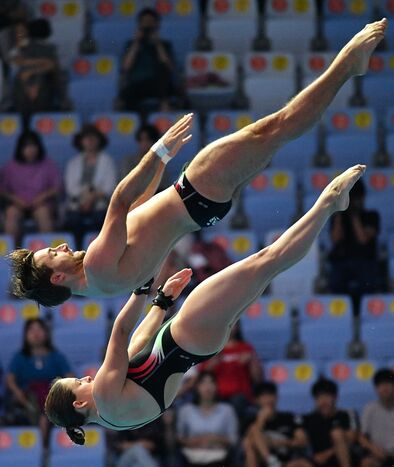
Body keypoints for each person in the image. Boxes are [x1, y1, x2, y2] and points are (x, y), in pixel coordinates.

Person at [9, 20, 387, 307]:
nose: (59, 245)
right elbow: (121, 201)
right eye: (52, 253)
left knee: (277, 133)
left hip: (202, 207)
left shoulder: (102, 284)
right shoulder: (95, 265)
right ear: (57, 277)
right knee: (278, 126)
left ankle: (346, 69)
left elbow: (140, 210)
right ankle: (348, 65)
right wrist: (158, 151)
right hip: (195, 191)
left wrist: (160, 166)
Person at [44, 164, 366, 444]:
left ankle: (328, 205)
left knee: (268, 268)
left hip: (198, 345)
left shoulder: (115, 416)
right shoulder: (103, 395)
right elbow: (121, 331)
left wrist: (161, 300)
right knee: (266, 260)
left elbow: (137, 344)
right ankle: (329, 201)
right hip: (187, 331)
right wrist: (142, 286)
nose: (86, 378)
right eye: (78, 383)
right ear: (78, 405)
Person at [5, 318, 73, 447]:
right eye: (31, 330)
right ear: (25, 335)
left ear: (46, 333)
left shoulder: (56, 356)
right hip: (27, 399)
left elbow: (69, 377)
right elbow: (10, 380)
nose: (35, 333)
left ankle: (44, 446)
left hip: (52, 397)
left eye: (39, 329)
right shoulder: (19, 357)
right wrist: (19, 394)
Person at [285, 378, 359, 467]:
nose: (323, 401)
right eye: (319, 397)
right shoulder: (307, 419)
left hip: (346, 458)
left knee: (337, 433)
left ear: (335, 397)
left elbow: (351, 439)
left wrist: (327, 454)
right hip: (319, 461)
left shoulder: (347, 414)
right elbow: (300, 440)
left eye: (327, 396)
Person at [177, 371, 238, 467]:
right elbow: (179, 438)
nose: (208, 387)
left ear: (216, 387)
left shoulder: (227, 410)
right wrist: (198, 441)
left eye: (211, 383)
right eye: (203, 383)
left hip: (219, 456)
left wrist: (213, 439)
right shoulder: (186, 410)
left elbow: (233, 439)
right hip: (192, 456)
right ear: (197, 387)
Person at [0, 129, 62, 244]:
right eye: (27, 147)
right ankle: (12, 257)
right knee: (11, 213)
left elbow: (57, 188)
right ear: (20, 148)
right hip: (17, 204)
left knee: (43, 213)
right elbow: (3, 190)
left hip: (41, 204)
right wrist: (16, 199)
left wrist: (42, 197)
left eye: (33, 146)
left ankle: (48, 257)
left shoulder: (48, 164)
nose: (30, 150)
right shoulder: (10, 166)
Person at [328, 178, 380, 313]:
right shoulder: (338, 217)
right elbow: (335, 239)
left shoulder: (372, 216)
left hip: (365, 263)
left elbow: (362, 238)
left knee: (366, 282)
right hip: (343, 263)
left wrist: (354, 216)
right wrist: (339, 212)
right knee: (335, 282)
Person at [243, 382, 305, 467]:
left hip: (286, 459)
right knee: (251, 439)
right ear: (257, 401)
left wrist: (274, 443)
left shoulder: (289, 417)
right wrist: (261, 421)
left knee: (253, 436)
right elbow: (246, 444)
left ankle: (272, 464)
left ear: (276, 397)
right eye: (263, 396)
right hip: (260, 463)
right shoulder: (251, 421)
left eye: (270, 395)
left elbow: (302, 441)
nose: (268, 400)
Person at [64, 123, 117, 246]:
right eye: (86, 138)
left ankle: (100, 250)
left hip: (101, 201)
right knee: (73, 220)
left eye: (93, 138)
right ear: (81, 141)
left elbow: (110, 186)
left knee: (101, 217)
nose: (90, 141)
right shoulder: (73, 162)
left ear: (99, 140)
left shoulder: (107, 161)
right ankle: (76, 251)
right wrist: (85, 197)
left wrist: (93, 197)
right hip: (78, 202)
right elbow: (71, 188)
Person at [118, 8, 176, 112]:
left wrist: (158, 44)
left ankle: (165, 112)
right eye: (145, 23)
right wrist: (136, 43)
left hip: (159, 84)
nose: (148, 26)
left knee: (164, 80)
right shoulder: (131, 45)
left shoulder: (165, 45)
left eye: (151, 23)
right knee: (127, 93)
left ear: (157, 25)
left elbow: (169, 67)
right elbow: (125, 67)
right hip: (137, 84)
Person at [198, 322, 262, 411]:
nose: (229, 327)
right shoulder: (211, 348)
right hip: (217, 396)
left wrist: (252, 361)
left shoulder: (246, 348)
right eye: (226, 323)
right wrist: (212, 364)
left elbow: (258, 379)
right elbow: (201, 376)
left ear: (238, 327)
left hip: (240, 396)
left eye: (233, 324)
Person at [9, 18, 61, 121]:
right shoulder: (21, 49)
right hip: (27, 93)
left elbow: (50, 66)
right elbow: (20, 65)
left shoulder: (43, 48)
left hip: (32, 93)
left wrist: (32, 83)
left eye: (22, 31)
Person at [359, 368, 394, 467]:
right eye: (380, 385)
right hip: (379, 455)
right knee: (366, 464)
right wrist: (373, 449)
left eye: (388, 384)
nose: (384, 388)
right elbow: (362, 437)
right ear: (376, 388)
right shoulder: (369, 409)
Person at [120, 124, 171, 191]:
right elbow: (125, 186)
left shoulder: (161, 163)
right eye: (141, 140)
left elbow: (162, 187)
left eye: (147, 140)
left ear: (155, 142)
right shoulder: (129, 161)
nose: (144, 143)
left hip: (154, 199)